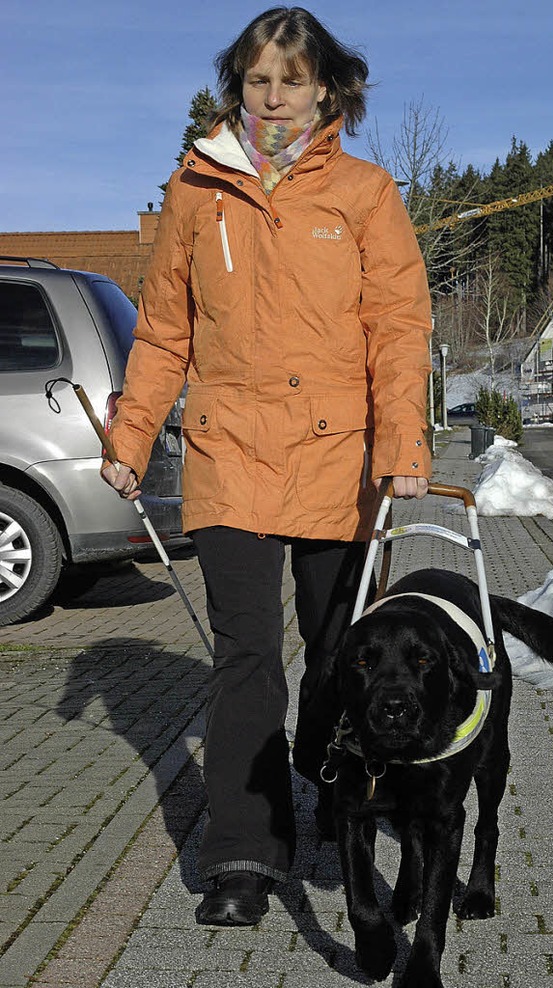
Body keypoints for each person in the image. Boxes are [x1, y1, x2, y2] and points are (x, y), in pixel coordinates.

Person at [102, 6, 432, 926]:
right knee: (248, 658)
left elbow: (398, 328)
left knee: (343, 654)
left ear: (327, 87)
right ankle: (246, 852)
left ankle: (345, 804)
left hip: (342, 457)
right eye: (258, 79)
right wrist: (130, 440)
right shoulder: (194, 194)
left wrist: (404, 442)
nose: (274, 95)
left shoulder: (366, 193)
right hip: (230, 452)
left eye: (292, 78)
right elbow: (165, 331)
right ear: (236, 88)